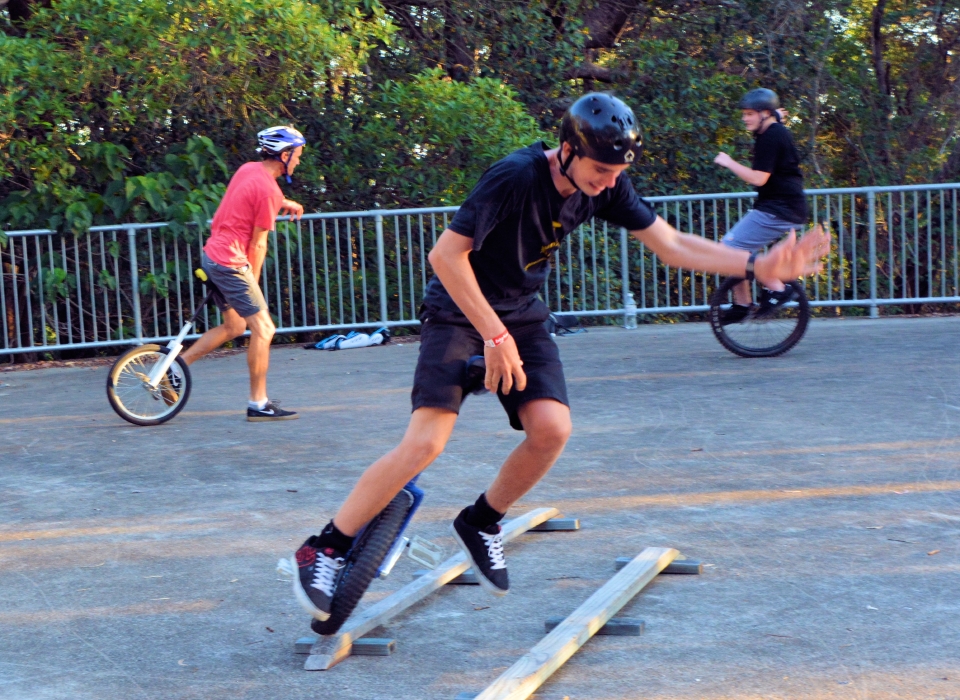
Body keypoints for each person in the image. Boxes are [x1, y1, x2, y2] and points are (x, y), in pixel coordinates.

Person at [290, 93, 829, 622]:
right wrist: (494, 336)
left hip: (521, 313)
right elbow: (445, 256)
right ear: (569, 149)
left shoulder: (605, 184)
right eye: (601, 169)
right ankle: (327, 548)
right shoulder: (515, 176)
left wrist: (755, 266)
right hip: (460, 310)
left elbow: (672, 244)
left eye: (618, 171)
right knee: (426, 442)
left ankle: (482, 521)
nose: (610, 181)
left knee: (551, 430)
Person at [179, 125, 306, 421]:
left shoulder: (249, 169)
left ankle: (174, 372)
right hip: (231, 263)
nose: (299, 161)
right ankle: (258, 403)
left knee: (235, 327)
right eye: (297, 155)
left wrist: (284, 202)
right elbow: (258, 244)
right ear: (284, 155)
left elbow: (249, 196)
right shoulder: (268, 192)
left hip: (213, 254)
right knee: (264, 328)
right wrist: (254, 283)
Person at [713, 88, 809, 322]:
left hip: (779, 209)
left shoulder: (772, 136)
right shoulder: (772, 131)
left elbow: (758, 178)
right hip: (778, 207)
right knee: (735, 251)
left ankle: (776, 288)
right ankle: (742, 303)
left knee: (727, 249)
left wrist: (729, 162)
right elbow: (776, 128)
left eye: (749, 114)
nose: (744, 118)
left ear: (765, 113)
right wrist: (776, 117)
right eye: (744, 114)